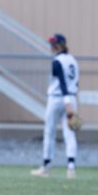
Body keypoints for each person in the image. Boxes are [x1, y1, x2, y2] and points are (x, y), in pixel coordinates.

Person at [30, 34, 80, 179]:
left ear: (59, 45)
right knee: (70, 133)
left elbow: (63, 82)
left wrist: (67, 102)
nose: (51, 47)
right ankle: (71, 168)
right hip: (71, 97)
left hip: (57, 98)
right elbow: (75, 83)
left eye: (53, 44)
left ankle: (46, 167)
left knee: (49, 133)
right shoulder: (73, 60)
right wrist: (71, 101)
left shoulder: (57, 61)